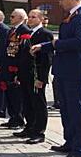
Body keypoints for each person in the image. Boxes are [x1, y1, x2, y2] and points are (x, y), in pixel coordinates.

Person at [32, 0, 81, 157]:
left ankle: (80, 150)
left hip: (75, 72)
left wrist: (53, 44)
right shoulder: (73, 16)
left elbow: (80, 42)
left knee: (77, 112)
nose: (59, 3)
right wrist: (45, 46)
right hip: (65, 70)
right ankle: (70, 142)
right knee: (66, 110)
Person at [14, 9, 53, 144]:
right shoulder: (28, 33)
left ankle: (39, 132)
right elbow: (22, 56)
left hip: (36, 76)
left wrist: (41, 78)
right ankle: (29, 127)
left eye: (33, 17)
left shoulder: (45, 34)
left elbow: (46, 59)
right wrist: (18, 74)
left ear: (41, 19)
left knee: (38, 104)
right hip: (25, 74)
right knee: (27, 102)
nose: (30, 19)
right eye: (29, 17)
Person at [0, 9, 32, 130]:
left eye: (13, 16)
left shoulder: (24, 30)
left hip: (16, 68)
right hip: (7, 66)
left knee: (17, 96)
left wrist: (17, 68)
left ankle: (19, 119)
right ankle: (12, 117)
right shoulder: (12, 30)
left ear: (20, 18)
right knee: (9, 94)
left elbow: (23, 52)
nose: (11, 18)